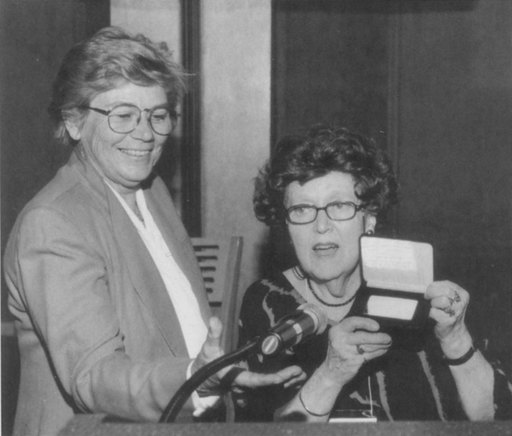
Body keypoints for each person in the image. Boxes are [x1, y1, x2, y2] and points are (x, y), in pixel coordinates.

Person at [3, 26, 305, 436]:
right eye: (123, 115)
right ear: (75, 122)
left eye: (158, 115)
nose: (145, 134)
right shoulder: (53, 223)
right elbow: (95, 376)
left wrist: (216, 374)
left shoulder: (152, 190)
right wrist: (194, 378)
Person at [235, 124, 512, 422]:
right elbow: (264, 429)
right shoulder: (268, 304)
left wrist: (456, 339)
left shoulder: (422, 290)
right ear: (288, 228)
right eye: (302, 210)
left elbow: (494, 421)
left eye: (339, 206)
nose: (321, 226)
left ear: (369, 217)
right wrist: (331, 374)